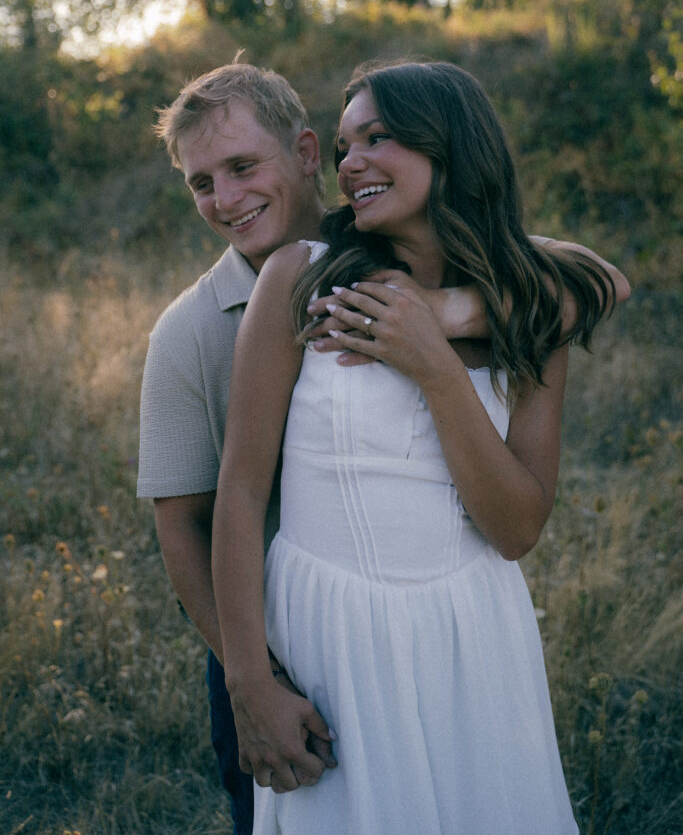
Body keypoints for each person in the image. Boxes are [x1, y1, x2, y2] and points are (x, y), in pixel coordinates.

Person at [138, 59, 629, 835]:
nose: (352, 161)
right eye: (347, 145)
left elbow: (517, 529)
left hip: (467, 630)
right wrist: (251, 680)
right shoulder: (280, 289)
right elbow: (218, 500)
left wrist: (436, 339)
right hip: (306, 631)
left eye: (377, 137)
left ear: (453, 147)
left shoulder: (526, 299)